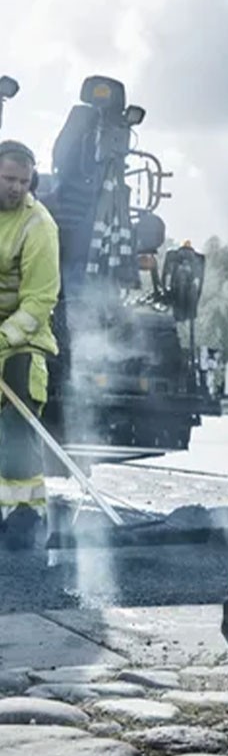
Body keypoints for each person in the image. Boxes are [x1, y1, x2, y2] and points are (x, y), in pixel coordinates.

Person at [0, 140, 60, 549]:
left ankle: (25, 522)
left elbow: (39, 300)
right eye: (8, 178)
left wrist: (4, 338)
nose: (16, 188)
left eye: (24, 181)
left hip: (23, 339)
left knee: (18, 428)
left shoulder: (39, 225)